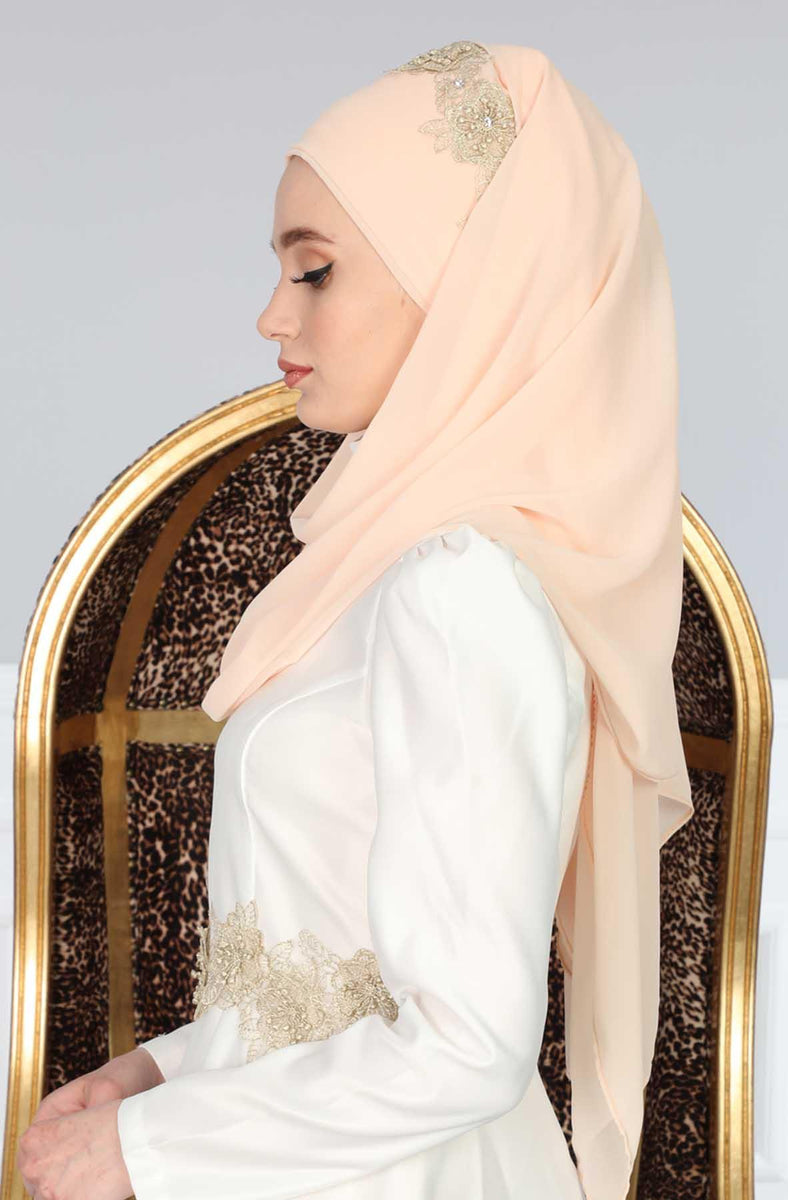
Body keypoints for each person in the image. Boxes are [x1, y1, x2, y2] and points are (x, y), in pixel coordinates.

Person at [17, 39, 693, 1200]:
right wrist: (160, 1076)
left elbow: (463, 1045)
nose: (271, 312)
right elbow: (328, 979)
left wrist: (147, 1151)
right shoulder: (381, 575)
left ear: (460, 285)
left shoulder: (460, 589)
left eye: (315, 271)